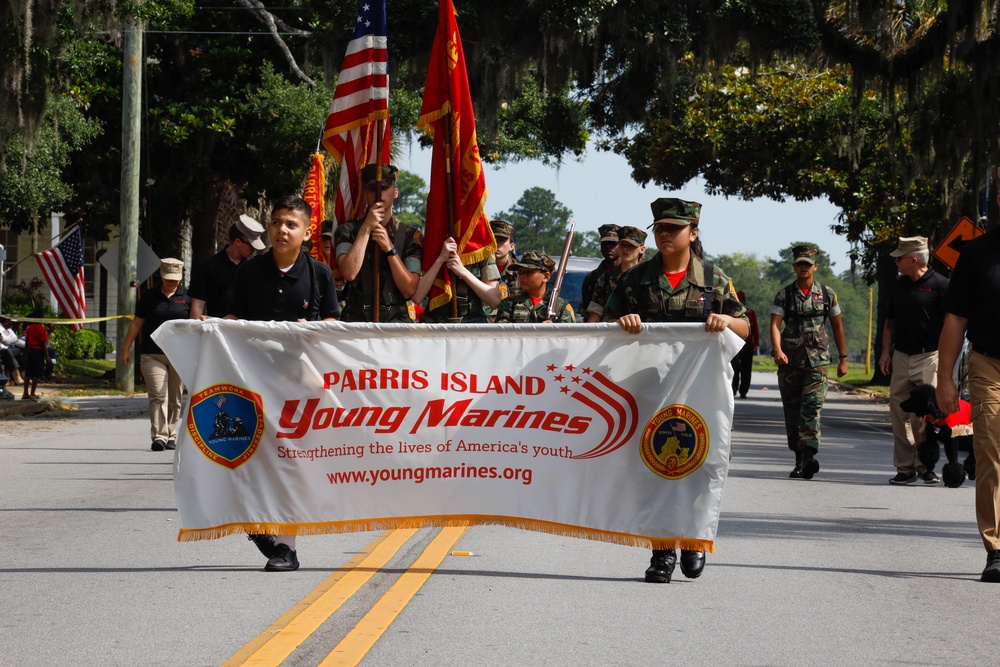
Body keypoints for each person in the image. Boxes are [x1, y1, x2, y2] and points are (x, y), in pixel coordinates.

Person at [603, 197, 749, 584]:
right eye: (661, 228)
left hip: (702, 393)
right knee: (654, 468)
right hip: (651, 388)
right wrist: (623, 322)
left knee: (701, 464)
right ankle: (662, 552)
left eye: (674, 228)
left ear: (694, 232)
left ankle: (695, 539)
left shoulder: (714, 278)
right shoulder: (634, 280)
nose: (666, 234)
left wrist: (726, 322)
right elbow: (600, 328)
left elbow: (745, 329)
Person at [226, 195, 340, 573]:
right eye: (276, 222)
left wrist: (313, 329)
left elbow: (336, 326)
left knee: (291, 463)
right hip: (252, 379)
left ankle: (286, 547)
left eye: (291, 224)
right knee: (252, 457)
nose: (282, 230)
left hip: (299, 385)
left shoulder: (319, 274)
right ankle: (260, 525)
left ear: (306, 232)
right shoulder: (248, 272)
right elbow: (233, 318)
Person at [935, 224, 1000, 582]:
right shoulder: (975, 254)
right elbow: (956, 318)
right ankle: (996, 549)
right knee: (991, 450)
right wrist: (945, 380)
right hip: (989, 365)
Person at [770, 244, 849, 480]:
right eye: (799, 264)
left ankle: (808, 456)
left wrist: (843, 359)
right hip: (790, 362)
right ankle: (799, 458)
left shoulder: (826, 294)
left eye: (808, 264)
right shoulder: (784, 294)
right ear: (794, 266)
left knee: (811, 408)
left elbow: (837, 327)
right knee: (792, 411)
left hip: (817, 361)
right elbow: (775, 324)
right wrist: (777, 350)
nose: (803, 268)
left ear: (815, 266)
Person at [879, 236, 949, 485]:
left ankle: (925, 466)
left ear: (915, 259)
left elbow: (953, 324)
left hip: (929, 356)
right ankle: (904, 467)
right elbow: (889, 323)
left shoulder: (941, 285)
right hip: (901, 355)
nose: (896, 261)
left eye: (900, 257)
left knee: (924, 415)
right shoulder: (897, 286)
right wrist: (885, 353)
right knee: (899, 412)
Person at [335, 164, 422, 322]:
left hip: (395, 323)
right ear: (365, 193)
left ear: (395, 192)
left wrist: (389, 248)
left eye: (384, 187)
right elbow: (348, 272)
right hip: (356, 321)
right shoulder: (348, 230)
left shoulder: (410, 236)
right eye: (372, 187)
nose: (378, 193)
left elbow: (409, 289)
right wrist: (366, 229)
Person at [120, 259, 191, 449]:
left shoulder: (188, 297)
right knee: (159, 395)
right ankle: (159, 436)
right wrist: (126, 349)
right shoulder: (149, 296)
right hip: (152, 354)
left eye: (175, 280)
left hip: (179, 354)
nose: (172, 283)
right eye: (168, 279)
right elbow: (136, 323)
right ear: (161, 276)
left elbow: (195, 326)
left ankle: (171, 434)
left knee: (175, 396)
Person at [188, 215, 266, 319]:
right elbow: (197, 306)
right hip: (216, 331)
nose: (254, 250)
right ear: (238, 241)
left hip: (247, 331)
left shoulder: (255, 267)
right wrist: (197, 331)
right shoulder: (209, 266)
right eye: (251, 246)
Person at [414, 236, 501, 323]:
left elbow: (494, 300)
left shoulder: (482, 247)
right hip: (436, 323)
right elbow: (417, 297)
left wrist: (462, 271)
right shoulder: (432, 242)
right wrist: (440, 259)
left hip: (471, 323)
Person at [494, 251, 575, 323]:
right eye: (520, 271)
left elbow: (569, 337)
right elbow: (503, 335)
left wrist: (552, 332)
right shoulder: (510, 304)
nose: (522, 276)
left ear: (546, 277)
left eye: (529, 271)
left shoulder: (560, 307)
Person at [585, 225, 646, 322]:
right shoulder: (604, 280)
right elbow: (595, 315)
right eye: (622, 245)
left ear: (642, 249)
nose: (625, 249)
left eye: (631, 246)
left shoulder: (648, 278)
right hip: (611, 334)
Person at [579, 223, 621, 314]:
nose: (608, 247)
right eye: (605, 243)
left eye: (613, 243)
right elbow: (584, 309)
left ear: (621, 246)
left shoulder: (628, 275)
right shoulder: (591, 278)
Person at [731, 290, 759, 398]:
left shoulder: (750, 313)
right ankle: (733, 389)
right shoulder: (731, 314)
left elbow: (754, 329)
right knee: (734, 368)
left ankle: (743, 391)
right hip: (734, 344)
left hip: (747, 344)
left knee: (746, 370)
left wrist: (756, 343)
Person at [20, 310, 50, 400]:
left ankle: (25, 393)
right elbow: (43, 343)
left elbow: (27, 341)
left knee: (28, 372)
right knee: (36, 373)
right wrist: (47, 356)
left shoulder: (29, 328)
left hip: (29, 350)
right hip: (38, 352)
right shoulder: (42, 329)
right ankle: (32, 393)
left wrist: (25, 353)